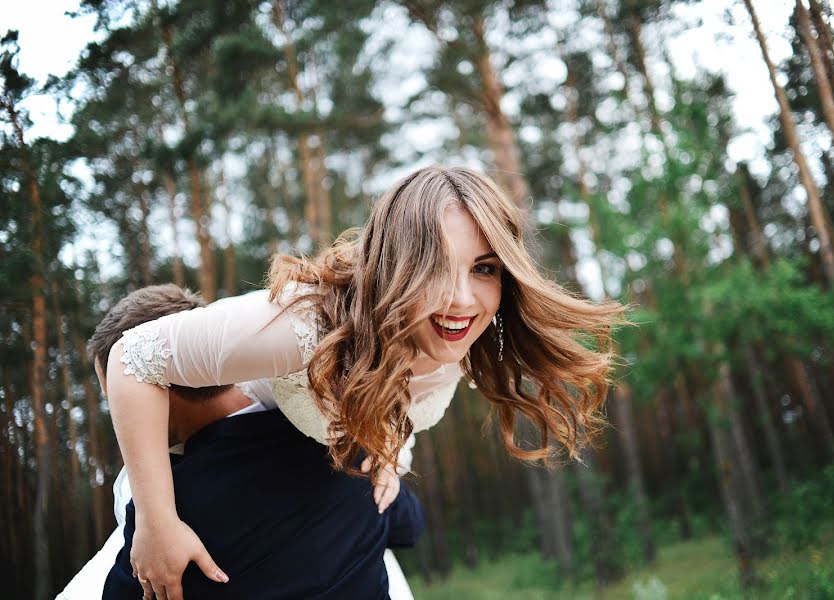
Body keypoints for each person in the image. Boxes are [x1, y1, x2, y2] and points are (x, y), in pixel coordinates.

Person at [105, 166, 622, 599]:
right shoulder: (304, 325)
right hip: (210, 460)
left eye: (484, 268)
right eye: (436, 266)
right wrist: (157, 523)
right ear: (395, 264)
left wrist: (392, 454)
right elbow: (130, 359)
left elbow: (406, 406)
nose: (462, 299)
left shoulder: (465, 337)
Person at [58, 284, 421, 600]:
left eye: (117, 398)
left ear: (155, 388)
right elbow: (409, 526)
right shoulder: (342, 436)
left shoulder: (164, 517)